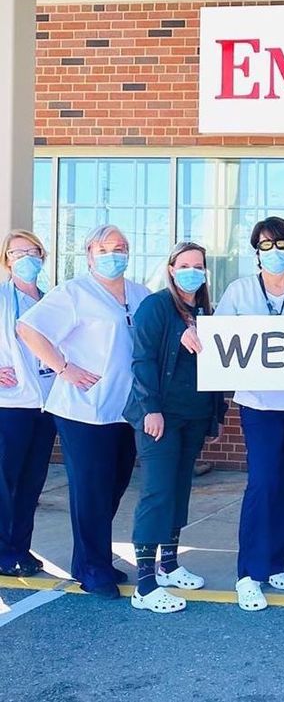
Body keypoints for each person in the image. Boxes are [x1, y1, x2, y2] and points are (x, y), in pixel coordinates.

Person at [17, 225, 150, 598]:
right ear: (90, 254)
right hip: (84, 410)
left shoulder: (140, 294)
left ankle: (94, 558)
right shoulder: (74, 293)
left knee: (115, 485)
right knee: (91, 490)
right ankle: (92, 569)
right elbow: (28, 329)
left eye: (120, 247)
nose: (113, 255)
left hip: (126, 409)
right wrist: (63, 368)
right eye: (104, 249)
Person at [212, 216, 284, 611]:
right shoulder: (240, 290)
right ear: (256, 252)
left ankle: (278, 560)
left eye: (281, 245)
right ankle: (249, 573)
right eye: (266, 246)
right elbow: (220, 339)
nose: (274, 252)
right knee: (262, 483)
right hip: (259, 404)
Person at [123, 242, 227, 614]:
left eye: (198, 266)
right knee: (157, 491)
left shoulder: (207, 312)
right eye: (184, 265)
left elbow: (219, 367)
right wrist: (150, 409)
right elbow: (142, 360)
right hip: (160, 417)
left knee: (180, 488)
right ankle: (145, 583)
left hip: (193, 417)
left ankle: (168, 564)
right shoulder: (156, 307)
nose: (192, 272)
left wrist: (215, 415)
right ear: (170, 269)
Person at [0, 230, 56, 578]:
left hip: (45, 405)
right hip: (10, 405)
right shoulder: (2, 298)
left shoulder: (51, 301)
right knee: (5, 482)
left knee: (32, 482)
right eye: (16, 253)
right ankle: (3, 551)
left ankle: (20, 547)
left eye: (31, 252)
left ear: (42, 256)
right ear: (7, 261)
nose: (25, 259)